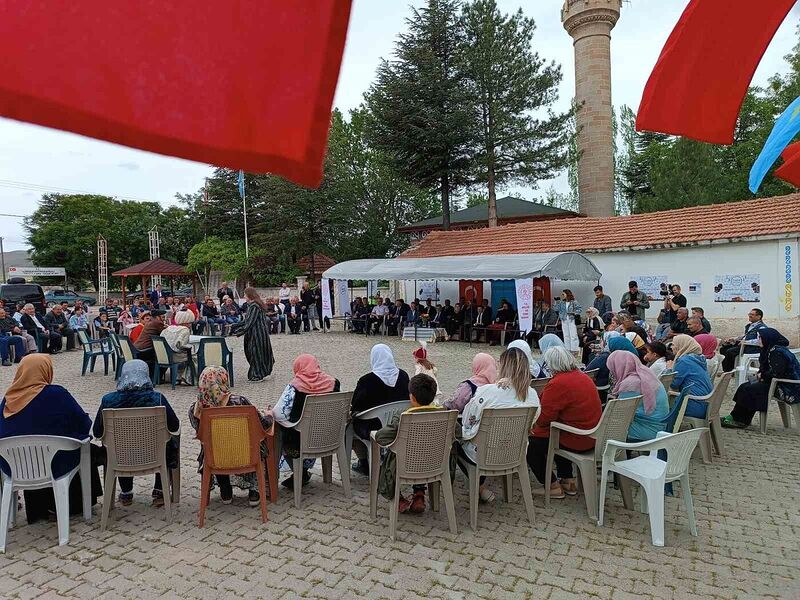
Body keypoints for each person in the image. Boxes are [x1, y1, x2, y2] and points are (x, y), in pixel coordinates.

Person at [0, 354, 100, 523]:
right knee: (84, 448)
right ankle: (74, 504)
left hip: (17, 467)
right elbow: (84, 425)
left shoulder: (8, 401)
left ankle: (39, 509)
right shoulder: (57, 394)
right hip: (55, 465)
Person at [93, 360, 180, 507]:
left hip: (120, 457)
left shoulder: (108, 400)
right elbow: (174, 425)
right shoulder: (157, 399)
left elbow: (97, 431)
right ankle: (159, 489)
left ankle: (126, 492)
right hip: (154, 455)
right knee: (167, 442)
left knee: (118, 445)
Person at [461, 348, 540, 503]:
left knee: (457, 442)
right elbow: (534, 421)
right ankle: (480, 487)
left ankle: (478, 486)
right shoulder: (532, 395)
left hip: (483, 453)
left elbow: (468, 422)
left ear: (502, 367)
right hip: (515, 452)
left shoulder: (487, 392)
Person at [190, 366, 272, 505]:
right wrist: (269, 416)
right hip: (244, 454)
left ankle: (225, 490)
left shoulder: (196, 409)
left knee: (216, 445)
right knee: (256, 442)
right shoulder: (239, 402)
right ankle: (254, 491)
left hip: (216, 458)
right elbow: (263, 425)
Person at [527, 346, 602, 499]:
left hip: (577, 438)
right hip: (592, 434)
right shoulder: (582, 376)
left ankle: (552, 485)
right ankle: (568, 480)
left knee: (531, 444)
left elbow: (543, 419)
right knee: (555, 431)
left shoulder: (559, 383)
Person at [376, 373, 443, 514]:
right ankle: (419, 494)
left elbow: (381, 438)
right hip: (434, 464)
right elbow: (458, 433)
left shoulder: (403, 417)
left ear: (411, 397)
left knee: (387, 453)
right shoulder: (444, 414)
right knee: (421, 452)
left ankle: (397, 497)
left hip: (404, 465)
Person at [272, 354, 339, 489]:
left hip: (301, 441)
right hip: (329, 437)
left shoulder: (295, 386)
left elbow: (278, 414)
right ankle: (303, 472)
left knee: (278, 429)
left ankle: (281, 476)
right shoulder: (334, 383)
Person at [350, 344, 411, 476]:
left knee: (349, 428)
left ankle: (364, 462)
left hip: (374, 427)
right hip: (398, 425)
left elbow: (355, 406)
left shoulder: (367, 380)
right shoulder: (404, 377)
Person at [722, 328, 800, 429]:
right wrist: (761, 375)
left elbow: (777, 372)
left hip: (787, 387)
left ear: (767, 338)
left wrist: (763, 376)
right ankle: (737, 417)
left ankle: (741, 420)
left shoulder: (778, 352)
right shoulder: (769, 349)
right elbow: (766, 368)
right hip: (775, 382)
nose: (758, 340)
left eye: (760, 338)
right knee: (744, 386)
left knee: (751, 389)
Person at [607, 350, 670, 442]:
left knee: (608, 429)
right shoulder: (646, 373)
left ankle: (616, 454)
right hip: (661, 425)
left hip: (649, 430)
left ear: (618, 367)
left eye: (612, 368)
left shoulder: (631, 384)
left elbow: (620, 415)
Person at [230, 287, 275, 381]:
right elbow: (247, 320)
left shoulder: (254, 306)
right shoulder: (255, 305)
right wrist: (234, 325)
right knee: (256, 353)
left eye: (245, 295)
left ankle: (257, 374)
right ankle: (259, 373)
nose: (244, 297)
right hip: (258, 333)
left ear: (249, 295)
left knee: (256, 354)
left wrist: (239, 332)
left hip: (257, 334)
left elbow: (250, 322)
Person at [670, 335, 714, 419]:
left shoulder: (684, 361)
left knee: (659, 404)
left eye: (673, 344)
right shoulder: (697, 359)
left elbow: (674, 384)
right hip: (705, 404)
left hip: (693, 405)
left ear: (682, 346)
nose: (671, 347)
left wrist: (668, 369)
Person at [718, 308, 767, 372]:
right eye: (749, 314)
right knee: (723, 349)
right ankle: (727, 369)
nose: (750, 316)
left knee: (730, 352)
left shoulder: (762, 327)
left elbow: (760, 341)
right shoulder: (750, 326)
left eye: (752, 314)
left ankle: (728, 371)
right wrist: (734, 339)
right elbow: (746, 335)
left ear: (759, 316)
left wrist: (746, 342)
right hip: (743, 345)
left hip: (751, 347)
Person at [555, 289, 582, 355]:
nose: (562, 296)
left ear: (567, 294)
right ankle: (567, 349)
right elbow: (556, 309)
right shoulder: (561, 302)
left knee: (573, 335)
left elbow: (579, 309)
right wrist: (556, 302)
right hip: (564, 319)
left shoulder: (574, 302)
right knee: (566, 335)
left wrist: (574, 313)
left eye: (563, 294)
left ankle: (574, 349)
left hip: (571, 319)